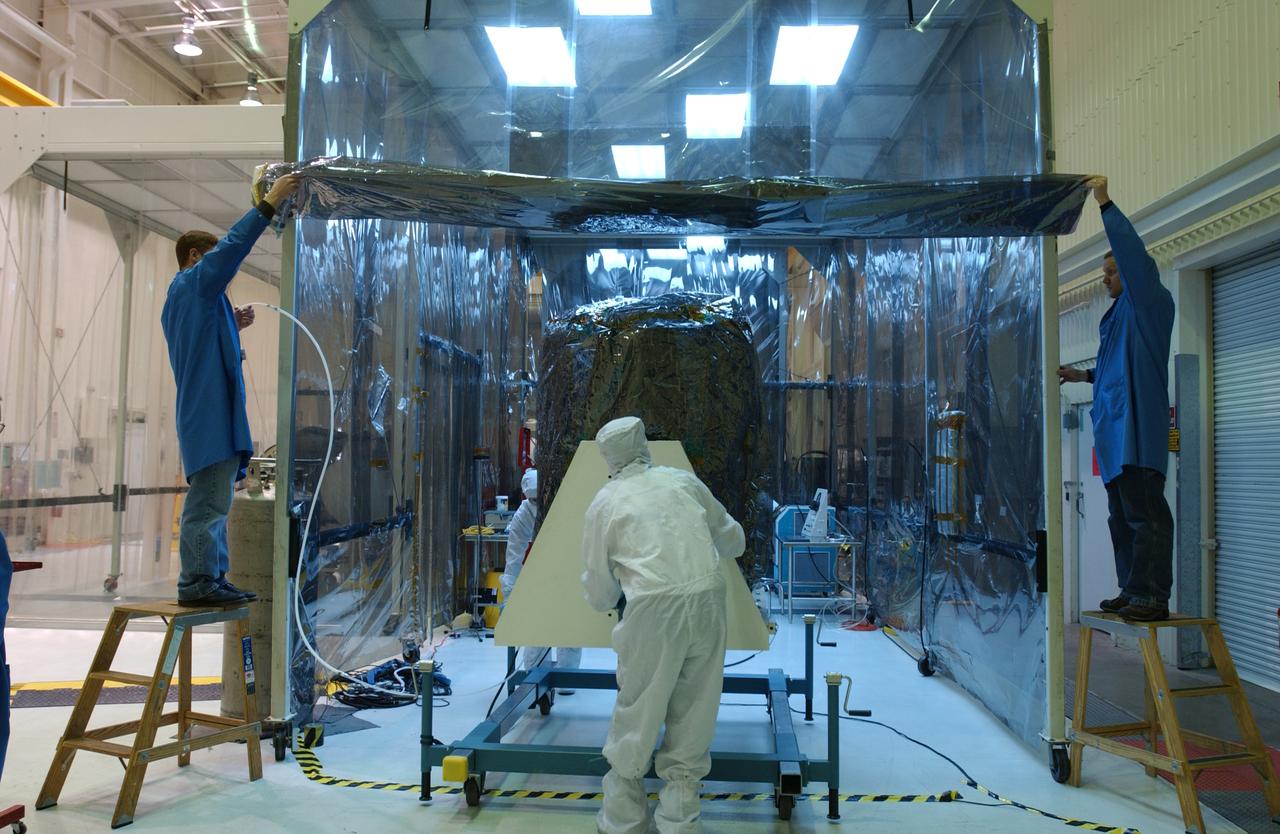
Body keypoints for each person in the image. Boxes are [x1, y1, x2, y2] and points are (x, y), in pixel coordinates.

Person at [582, 416, 744, 834]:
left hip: (653, 607)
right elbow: (733, 539)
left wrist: (613, 595)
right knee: (695, 709)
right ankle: (679, 821)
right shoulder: (681, 480)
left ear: (608, 458)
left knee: (639, 708)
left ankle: (622, 820)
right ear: (644, 446)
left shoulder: (606, 501)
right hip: (708, 600)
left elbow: (599, 592)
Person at [162, 174, 299, 606]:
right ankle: (197, 581)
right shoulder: (193, 283)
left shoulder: (188, 301)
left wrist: (229, 325)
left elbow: (200, 347)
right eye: (211, 261)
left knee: (217, 501)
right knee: (207, 504)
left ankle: (212, 576)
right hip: (209, 418)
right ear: (195, 257)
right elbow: (233, 247)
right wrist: (269, 204)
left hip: (210, 416)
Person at [1059, 176, 1175, 622]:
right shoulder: (1117, 321)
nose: (1105, 278)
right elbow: (1114, 374)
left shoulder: (1148, 305)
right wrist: (1082, 375)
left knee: (1146, 518)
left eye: (1111, 272)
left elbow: (1132, 255)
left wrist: (1105, 203)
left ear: (1129, 273)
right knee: (1121, 519)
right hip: (1113, 444)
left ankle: (1152, 596)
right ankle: (1132, 588)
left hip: (1137, 439)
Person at [499, 467, 582, 691]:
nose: (537, 503)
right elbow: (514, 553)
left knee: (568, 626)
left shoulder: (566, 504)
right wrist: (509, 592)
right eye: (533, 499)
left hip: (569, 568)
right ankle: (537, 679)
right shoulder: (524, 513)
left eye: (539, 498)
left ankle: (567, 679)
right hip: (541, 572)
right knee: (537, 626)